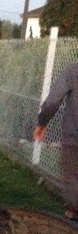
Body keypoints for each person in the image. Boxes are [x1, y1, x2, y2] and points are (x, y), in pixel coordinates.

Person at [33, 62, 78, 221]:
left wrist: (42, 122)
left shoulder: (73, 70)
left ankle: (72, 214)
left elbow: (53, 101)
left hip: (73, 137)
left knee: (72, 178)